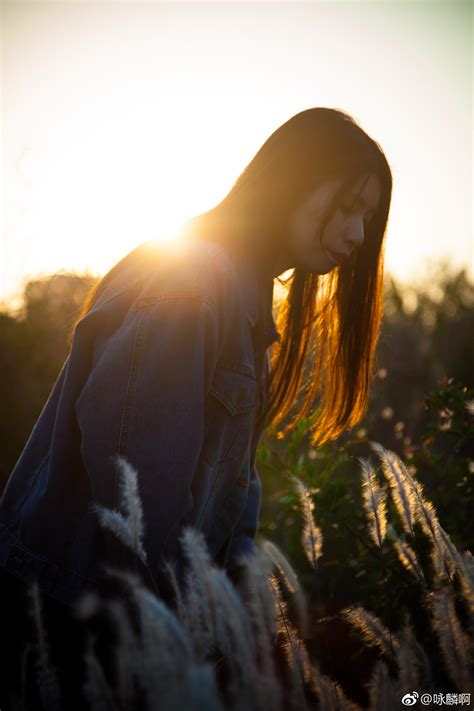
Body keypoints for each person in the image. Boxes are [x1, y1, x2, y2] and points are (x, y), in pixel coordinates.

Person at [0, 107, 392, 708]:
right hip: (74, 622)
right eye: (346, 206)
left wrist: (242, 615)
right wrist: (206, 643)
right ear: (291, 181)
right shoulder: (194, 280)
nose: (357, 235)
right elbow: (138, 494)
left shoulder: (243, 295)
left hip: (130, 619)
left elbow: (235, 490)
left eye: (367, 217)